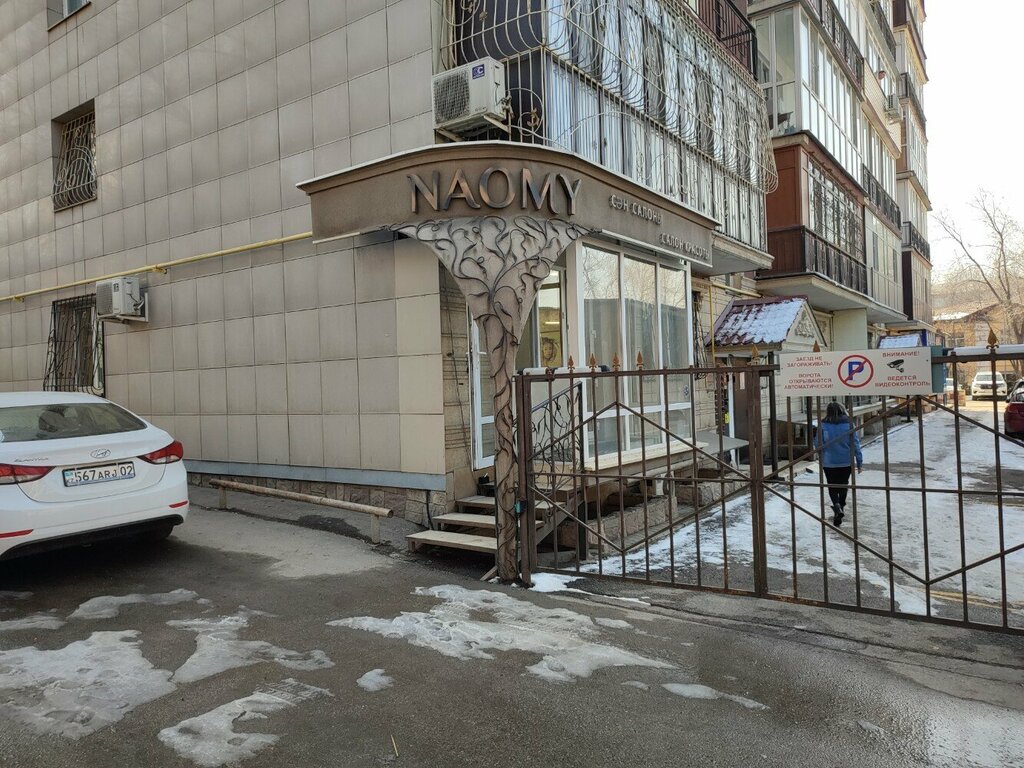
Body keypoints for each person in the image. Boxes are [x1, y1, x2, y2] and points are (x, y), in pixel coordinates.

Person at [816, 402, 863, 526]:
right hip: (845, 461)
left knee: (831, 485)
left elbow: (818, 443)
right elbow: (855, 444)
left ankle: (836, 506)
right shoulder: (849, 425)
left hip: (829, 462)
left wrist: (821, 456)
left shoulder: (823, 425)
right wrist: (859, 461)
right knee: (843, 485)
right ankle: (841, 506)